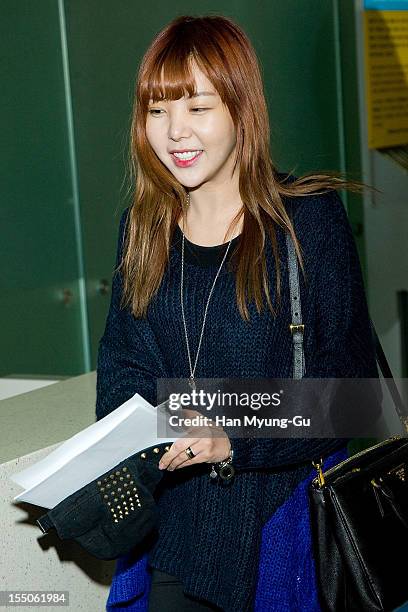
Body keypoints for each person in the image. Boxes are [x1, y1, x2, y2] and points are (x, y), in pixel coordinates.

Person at [95, 14, 379, 612]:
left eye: (197, 107)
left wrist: (231, 433)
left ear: (240, 110)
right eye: (157, 111)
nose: (175, 132)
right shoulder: (141, 233)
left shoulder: (307, 224)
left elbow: (352, 394)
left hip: (285, 534)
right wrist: (165, 423)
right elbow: (122, 378)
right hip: (175, 536)